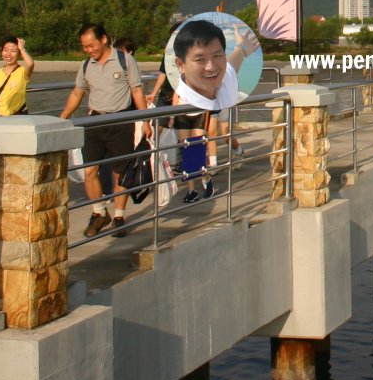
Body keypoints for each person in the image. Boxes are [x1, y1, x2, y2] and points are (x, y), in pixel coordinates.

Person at [58, 24, 151, 238]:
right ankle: (99, 212)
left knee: (119, 171)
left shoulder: (124, 60)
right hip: (95, 121)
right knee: (89, 170)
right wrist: (62, 118)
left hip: (120, 121)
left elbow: (137, 90)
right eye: (84, 47)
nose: (89, 50)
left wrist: (145, 121)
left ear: (104, 39)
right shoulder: (85, 66)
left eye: (91, 45)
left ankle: (118, 216)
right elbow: (77, 92)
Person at [171, 19, 259, 201]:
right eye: (200, 59)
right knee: (186, 149)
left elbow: (231, 64)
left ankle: (205, 179)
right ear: (180, 63)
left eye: (217, 56)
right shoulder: (179, 68)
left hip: (199, 113)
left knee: (194, 149)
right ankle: (192, 190)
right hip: (182, 112)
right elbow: (176, 90)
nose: (210, 66)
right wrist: (172, 112)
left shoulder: (220, 79)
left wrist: (241, 49)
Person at [0, 36, 34, 116]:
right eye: (5, 50)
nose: (8, 54)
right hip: (0, 116)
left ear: (19, 54)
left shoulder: (23, 72)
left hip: (18, 115)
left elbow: (30, 64)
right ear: (2, 52)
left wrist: (22, 49)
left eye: (13, 51)